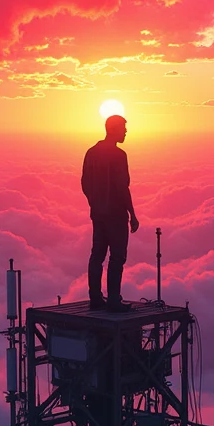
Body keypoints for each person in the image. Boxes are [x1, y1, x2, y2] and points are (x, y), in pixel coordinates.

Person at [81, 114, 139, 311]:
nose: (125, 132)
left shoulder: (91, 153)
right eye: (123, 128)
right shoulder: (118, 155)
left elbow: (84, 183)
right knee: (117, 257)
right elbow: (122, 187)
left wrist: (95, 202)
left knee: (97, 255)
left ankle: (95, 298)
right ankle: (114, 300)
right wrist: (132, 214)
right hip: (115, 215)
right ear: (112, 129)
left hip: (98, 213)